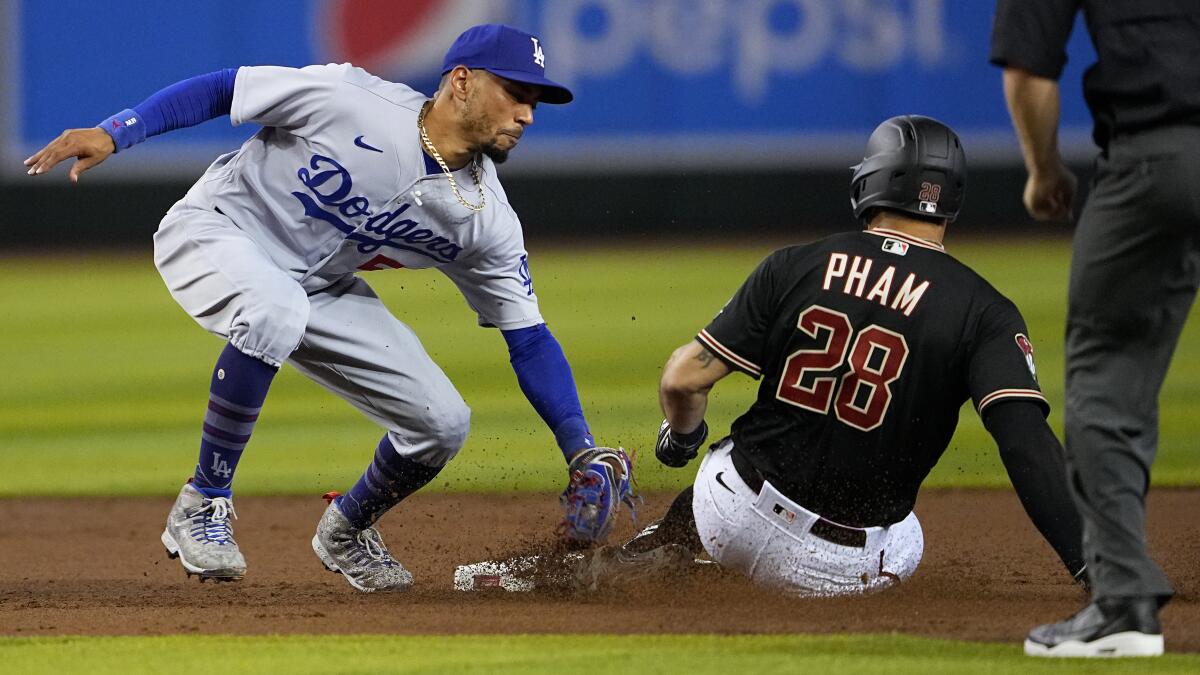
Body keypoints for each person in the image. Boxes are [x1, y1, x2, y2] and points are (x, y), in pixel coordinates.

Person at [22, 24, 635, 593]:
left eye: (535, 101)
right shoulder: (353, 99)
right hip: (216, 231)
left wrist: (579, 449)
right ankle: (203, 501)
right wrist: (117, 131)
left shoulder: (485, 219)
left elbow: (528, 338)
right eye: (515, 93)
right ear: (462, 81)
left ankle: (347, 529)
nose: (527, 114)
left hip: (317, 287)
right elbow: (224, 89)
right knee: (273, 306)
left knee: (441, 423)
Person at [622, 115, 1086, 600]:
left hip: (732, 518)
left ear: (869, 182)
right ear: (952, 200)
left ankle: (650, 552)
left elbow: (682, 380)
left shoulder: (795, 264)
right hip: (842, 570)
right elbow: (1028, 448)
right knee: (908, 532)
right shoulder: (985, 311)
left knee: (726, 461)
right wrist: (1094, 565)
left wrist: (682, 438)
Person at [990, 1, 1200, 657]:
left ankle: (1123, 604)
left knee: (1106, 379)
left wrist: (1044, 172)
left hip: (1160, 155)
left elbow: (1029, 71)